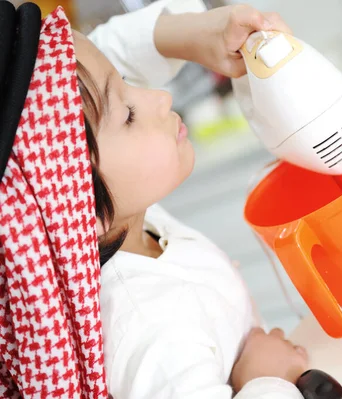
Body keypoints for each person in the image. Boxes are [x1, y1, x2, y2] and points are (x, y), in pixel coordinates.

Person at [0, 1, 308, 398]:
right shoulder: (151, 332)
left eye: (127, 81)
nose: (160, 98)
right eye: (128, 114)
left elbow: (95, 69)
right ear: (72, 207)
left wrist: (191, 33)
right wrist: (265, 380)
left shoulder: (118, 221)